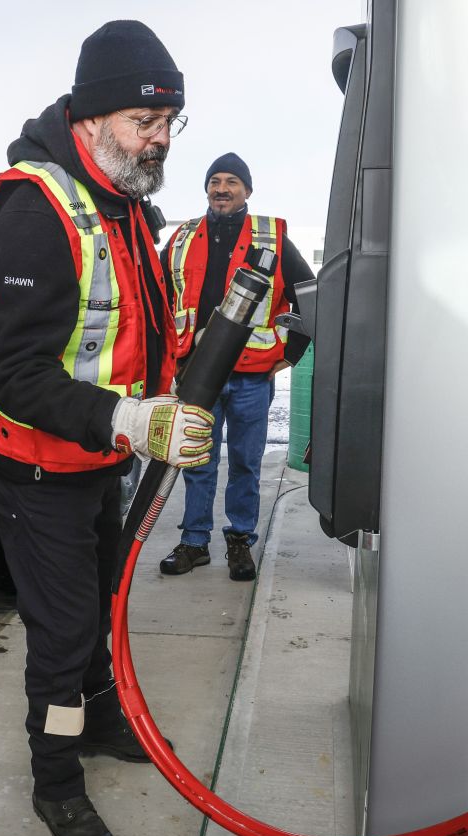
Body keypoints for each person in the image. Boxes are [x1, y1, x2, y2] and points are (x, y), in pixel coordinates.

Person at [0, 20, 209, 836]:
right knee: (63, 636)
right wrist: (133, 420)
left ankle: (102, 721)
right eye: (148, 123)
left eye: (172, 123)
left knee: (100, 604)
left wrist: (162, 398)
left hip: (96, 456)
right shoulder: (35, 209)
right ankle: (56, 776)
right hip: (37, 468)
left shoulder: (124, 202)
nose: (163, 139)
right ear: (95, 118)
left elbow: (134, 331)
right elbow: (18, 376)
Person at [159, 153, 314, 581]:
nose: (221, 188)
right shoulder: (183, 236)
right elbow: (154, 296)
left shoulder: (272, 237)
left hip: (251, 376)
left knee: (246, 463)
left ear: (247, 190)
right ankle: (194, 542)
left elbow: (310, 295)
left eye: (231, 181)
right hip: (196, 373)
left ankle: (240, 542)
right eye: (214, 181)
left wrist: (292, 353)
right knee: (196, 462)